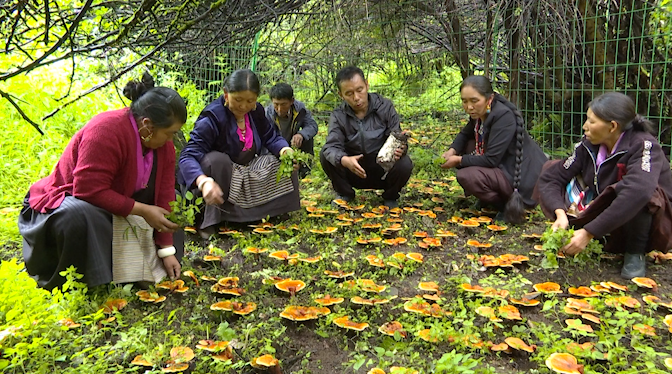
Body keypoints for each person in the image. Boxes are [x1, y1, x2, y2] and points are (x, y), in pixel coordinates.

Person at [19, 73, 186, 289]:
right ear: (147, 125)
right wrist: (143, 210)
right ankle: (88, 283)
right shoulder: (106, 130)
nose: (171, 139)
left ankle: (138, 271)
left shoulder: (164, 146)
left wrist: (166, 250)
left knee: (175, 205)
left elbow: (164, 194)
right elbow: (87, 189)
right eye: (169, 133)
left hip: (115, 199)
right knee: (80, 216)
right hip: (69, 201)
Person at [536, 92, 672, 279]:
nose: (585, 126)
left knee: (641, 192)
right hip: (607, 208)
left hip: (653, 221)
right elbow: (553, 177)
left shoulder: (644, 145)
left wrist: (589, 232)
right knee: (550, 167)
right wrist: (559, 212)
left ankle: (635, 252)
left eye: (591, 122)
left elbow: (638, 193)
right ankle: (591, 233)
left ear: (612, 126)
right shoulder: (589, 145)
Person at [178, 69, 300, 234]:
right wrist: (203, 182)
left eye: (250, 100)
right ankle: (212, 220)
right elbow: (187, 156)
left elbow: (270, 137)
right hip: (220, 178)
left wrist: (285, 151)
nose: (244, 106)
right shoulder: (212, 117)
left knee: (279, 160)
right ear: (226, 94)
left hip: (245, 170)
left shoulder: (255, 111)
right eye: (238, 99)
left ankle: (271, 212)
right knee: (216, 160)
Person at [441, 75, 547, 223]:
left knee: (467, 176)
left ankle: (505, 205)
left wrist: (458, 160)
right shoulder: (481, 112)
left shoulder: (503, 116)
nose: (469, 107)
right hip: (501, 166)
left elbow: (491, 159)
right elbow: (466, 134)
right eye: (464, 101)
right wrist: (452, 150)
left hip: (521, 178)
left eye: (474, 101)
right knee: (469, 144)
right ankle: (489, 198)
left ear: (489, 99)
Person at [320, 66, 413, 208]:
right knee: (325, 155)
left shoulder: (385, 106)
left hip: (382, 168)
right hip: (353, 169)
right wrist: (344, 160)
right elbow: (332, 146)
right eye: (349, 93)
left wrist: (401, 148)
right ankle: (345, 194)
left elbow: (396, 137)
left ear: (367, 85)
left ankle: (390, 196)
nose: (356, 98)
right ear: (341, 95)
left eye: (359, 90)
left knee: (404, 163)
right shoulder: (338, 115)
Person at [265, 83, 318, 178]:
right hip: (276, 148)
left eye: (283, 104)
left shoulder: (300, 109)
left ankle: (304, 172)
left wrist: (301, 135)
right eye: (276, 104)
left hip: (293, 144)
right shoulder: (267, 114)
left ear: (291, 101)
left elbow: (312, 125)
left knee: (307, 138)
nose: (279, 109)